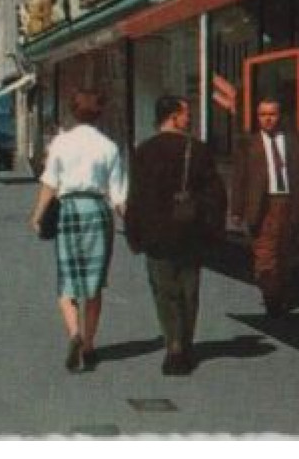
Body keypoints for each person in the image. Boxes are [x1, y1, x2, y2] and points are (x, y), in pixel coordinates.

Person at [125, 95, 226, 375]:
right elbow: (215, 194)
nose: (190, 118)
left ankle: (173, 343)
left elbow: (136, 197)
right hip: (190, 230)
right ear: (173, 116)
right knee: (189, 289)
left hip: (156, 234)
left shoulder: (143, 151)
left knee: (164, 290)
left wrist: (134, 233)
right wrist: (212, 228)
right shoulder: (198, 150)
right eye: (186, 113)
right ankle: (186, 342)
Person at [29, 87, 127, 372]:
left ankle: (74, 333)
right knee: (95, 285)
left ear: (73, 113)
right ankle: (89, 345)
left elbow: (50, 182)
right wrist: (131, 223)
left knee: (67, 279)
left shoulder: (61, 143)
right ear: (98, 114)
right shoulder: (108, 146)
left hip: (69, 209)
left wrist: (38, 214)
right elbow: (118, 194)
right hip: (97, 210)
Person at [231, 98, 299, 316]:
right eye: (263, 115)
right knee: (265, 254)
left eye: (272, 114)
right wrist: (236, 210)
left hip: (290, 203)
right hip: (263, 206)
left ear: (279, 115)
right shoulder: (248, 145)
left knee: (285, 252)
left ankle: (281, 291)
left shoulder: (296, 142)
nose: (268, 119)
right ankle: (271, 298)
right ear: (257, 117)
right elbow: (239, 180)